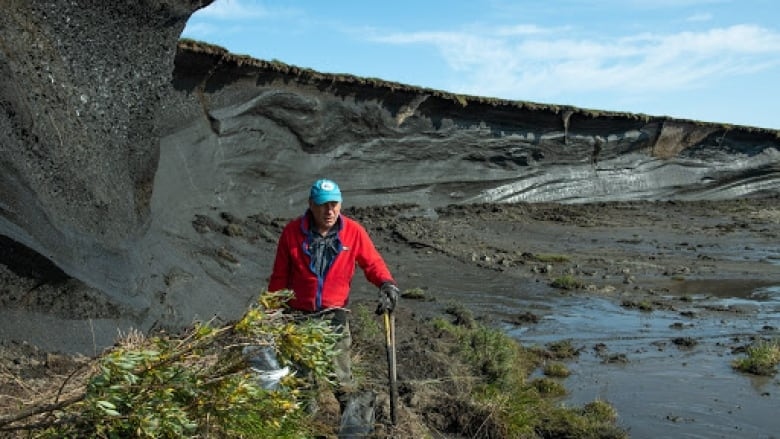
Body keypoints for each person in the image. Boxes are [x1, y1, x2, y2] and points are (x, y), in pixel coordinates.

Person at [267, 178, 400, 399]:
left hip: (334, 316)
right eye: (323, 205)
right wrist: (270, 309)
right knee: (301, 381)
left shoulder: (354, 232)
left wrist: (387, 284)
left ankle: (349, 426)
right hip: (298, 317)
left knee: (341, 378)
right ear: (311, 204)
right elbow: (279, 276)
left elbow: (372, 263)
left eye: (334, 204)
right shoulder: (292, 232)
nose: (330, 210)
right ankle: (306, 426)